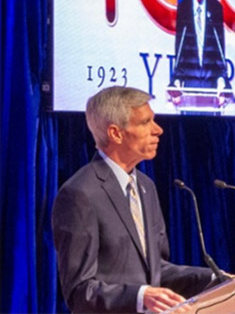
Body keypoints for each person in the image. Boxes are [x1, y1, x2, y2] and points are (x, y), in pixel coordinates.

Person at [51, 86, 213, 313]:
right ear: (116, 133)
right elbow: (80, 292)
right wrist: (139, 296)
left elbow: (157, 271)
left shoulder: (146, 186)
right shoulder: (80, 194)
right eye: (145, 122)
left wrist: (215, 279)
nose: (158, 130)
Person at [173, 0, 229, 92]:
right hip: (190, 94)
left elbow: (220, 59)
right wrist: (176, 83)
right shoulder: (183, 9)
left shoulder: (216, 9)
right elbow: (179, 59)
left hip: (211, 93)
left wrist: (223, 83)